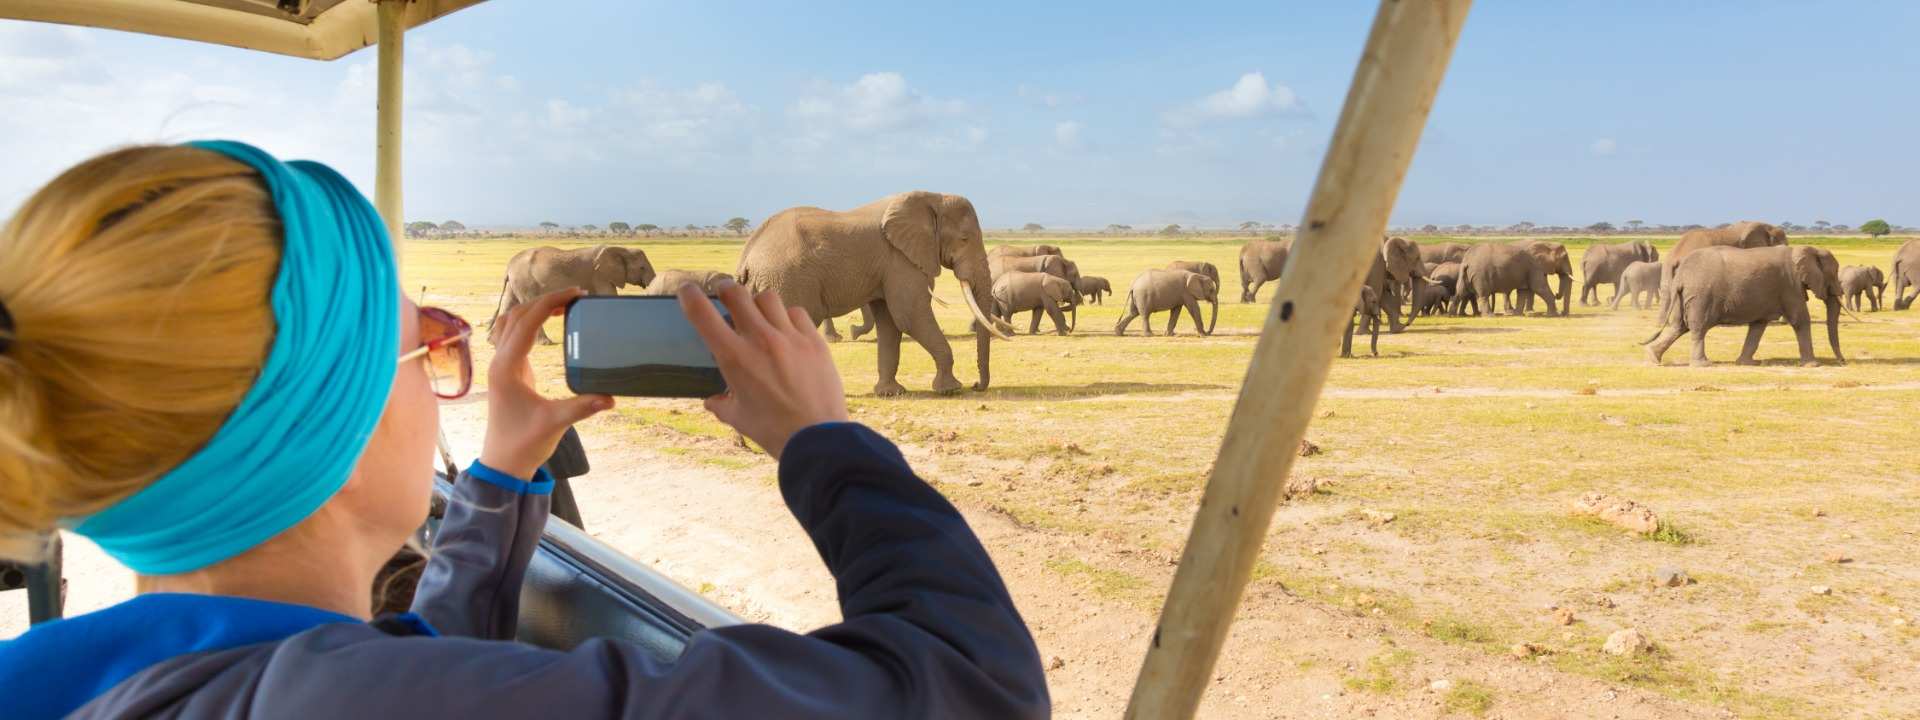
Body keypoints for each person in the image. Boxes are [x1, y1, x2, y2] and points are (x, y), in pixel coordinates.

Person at [0, 142, 1049, 718]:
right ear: (331, 428)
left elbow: (413, 673)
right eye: (427, 346)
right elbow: (973, 688)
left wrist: (500, 474)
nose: (449, 371)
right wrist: (827, 444)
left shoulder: (72, 676)